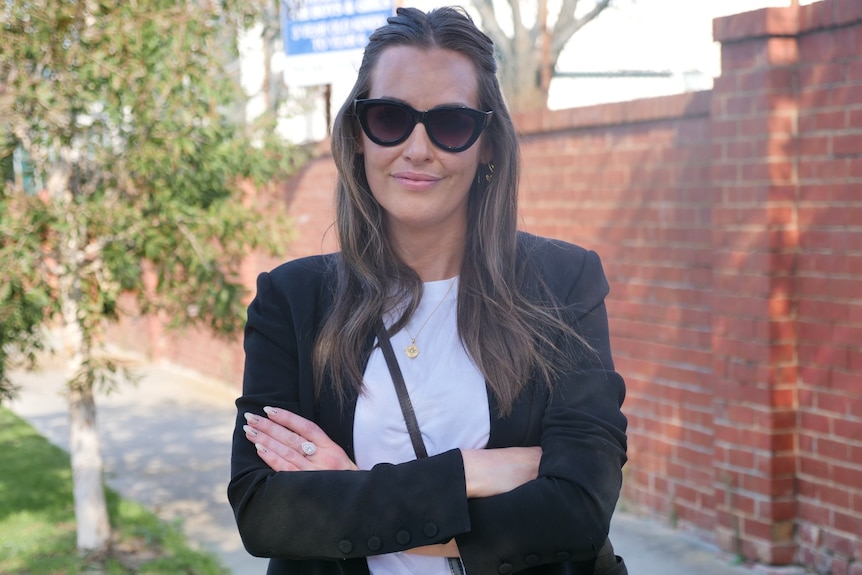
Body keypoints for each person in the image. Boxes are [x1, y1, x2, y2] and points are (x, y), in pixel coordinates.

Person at [229, 6, 628, 575]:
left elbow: (580, 509)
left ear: (486, 143)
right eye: (390, 118)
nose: (418, 149)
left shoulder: (562, 284)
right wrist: (472, 471)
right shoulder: (292, 301)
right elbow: (265, 512)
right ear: (359, 135)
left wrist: (352, 493)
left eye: (450, 123)